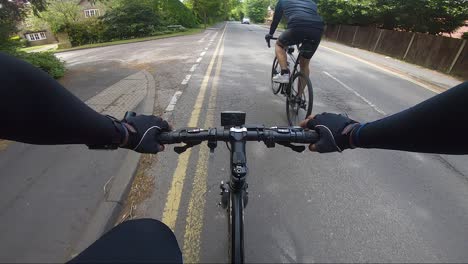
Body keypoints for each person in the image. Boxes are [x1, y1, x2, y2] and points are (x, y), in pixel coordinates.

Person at [1, 52, 468, 262]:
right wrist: (352, 134)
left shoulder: (286, 9)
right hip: (316, 38)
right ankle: (295, 75)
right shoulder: (307, 10)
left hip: (293, 35)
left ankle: (283, 69)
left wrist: (123, 132)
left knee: (147, 234)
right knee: (148, 237)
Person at [265, 0, 324, 84]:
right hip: (318, 29)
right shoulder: (311, 2)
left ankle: (284, 74)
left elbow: (276, 20)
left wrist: (270, 34)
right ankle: (299, 96)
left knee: (279, 44)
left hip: (297, 25)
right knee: (304, 64)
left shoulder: (282, 1)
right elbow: (308, 18)